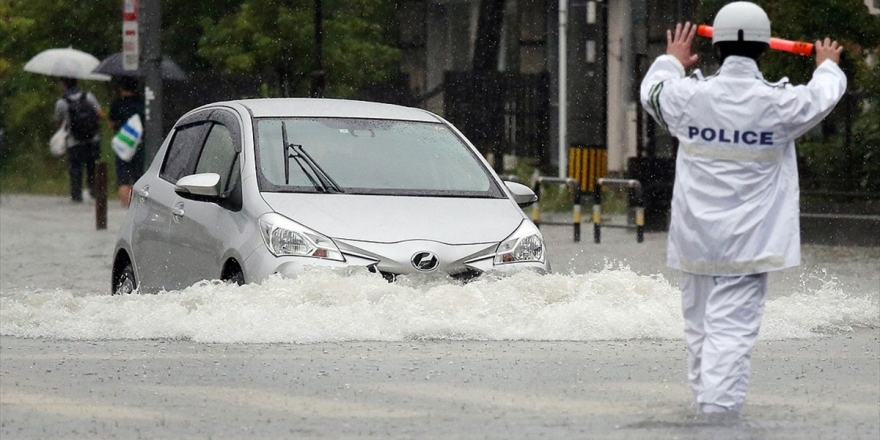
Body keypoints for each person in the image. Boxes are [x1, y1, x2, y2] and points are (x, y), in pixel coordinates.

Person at [639, 2, 846, 416]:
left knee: (699, 334)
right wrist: (826, 64)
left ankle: (704, 409)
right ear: (765, 48)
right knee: (730, 335)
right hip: (749, 244)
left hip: (696, 241)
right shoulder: (779, 105)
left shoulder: (688, 98)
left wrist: (672, 59)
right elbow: (823, 95)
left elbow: (653, 92)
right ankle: (718, 418)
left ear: (715, 48)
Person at [54, 77, 104, 203]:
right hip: (93, 138)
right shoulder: (88, 96)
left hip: (74, 140)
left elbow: (58, 122)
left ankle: (76, 194)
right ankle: (93, 191)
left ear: (64, 84)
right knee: (92, 165)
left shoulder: (61, 102)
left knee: (75, 167)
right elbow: (100, 114)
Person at [108, 77, 146, 208]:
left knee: (123, 179)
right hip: (138, 144)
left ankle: (125, 206)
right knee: (138, 177)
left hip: (123, 144)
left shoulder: (117, 104)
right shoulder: (142, 104)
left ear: (121, 88)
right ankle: (135, 206)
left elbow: (111, 123)